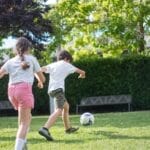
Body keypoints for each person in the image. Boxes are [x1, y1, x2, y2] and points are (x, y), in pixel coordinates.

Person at [0, 37, 45, 150]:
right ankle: (18, 148)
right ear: (28, 48)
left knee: (26, 118)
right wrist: (40, 81)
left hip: (11, 91)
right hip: (24, 90)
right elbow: (43, 78)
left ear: (16, 49)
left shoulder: (10, 61)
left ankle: (23, 145)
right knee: (24, 123)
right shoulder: (32, 59)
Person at [38, 50, 86, 141]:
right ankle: (45, 128)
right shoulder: (67, 64)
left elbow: (40, 69)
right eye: (69, 60)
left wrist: (40, 81)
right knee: (59, 110)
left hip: (51, 90)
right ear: (66, 58)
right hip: (58, 90)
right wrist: (82, 75)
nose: (69, 62)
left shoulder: (53, 65)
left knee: (66, 106)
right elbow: (82, 72)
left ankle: (68, 129)